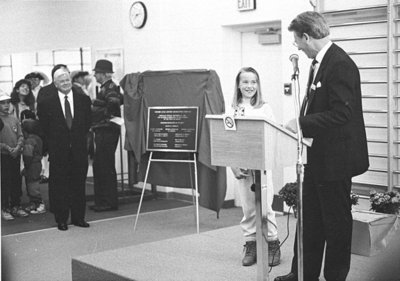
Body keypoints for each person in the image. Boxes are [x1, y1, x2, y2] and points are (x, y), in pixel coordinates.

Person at [275, 12, 369, 281]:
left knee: (336, 225)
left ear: (307, 36)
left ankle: (335, 277)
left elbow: (342, 114)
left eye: (297, 42)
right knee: (310, 221)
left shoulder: (340, 64)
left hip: (336, 162)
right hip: (317, 158)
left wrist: (301, 122)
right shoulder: (321, 62)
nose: (298, 48)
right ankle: (302, 273)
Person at [230, 67, 281, 267]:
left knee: (266, 208)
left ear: (258, 85)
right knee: (249, 208)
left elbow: (274, 135)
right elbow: (229, 138)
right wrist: (233, 165)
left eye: (253, 82)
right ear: (238, 85)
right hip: (243, 167)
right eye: (245, 82)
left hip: (262, 166)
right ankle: (251, 244)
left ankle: (273, 244)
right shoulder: (232, 108)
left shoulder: (265, 108)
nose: (249, 86)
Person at [37, 68, 92, 231]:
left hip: (78, 150)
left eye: (67, 79)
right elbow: (44, 128)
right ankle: (61, 219)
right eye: (61, 81)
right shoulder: (46, 103)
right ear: (55, 84)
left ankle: (78, 218)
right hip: (58, 151)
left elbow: (87, 123)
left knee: (78, 185)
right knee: (59, 185)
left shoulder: (83, 99)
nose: (66, 83)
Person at [90, 59, 123, 212]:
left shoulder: (109, 88)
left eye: (96, 73)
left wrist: (101, 115)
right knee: (103, 165)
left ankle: (107, 202)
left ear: (103, 74)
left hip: (106, 130)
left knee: (103, 165)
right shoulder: (108, 87)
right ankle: (106, 201)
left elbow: (114, 103)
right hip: (106, 130)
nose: (95, 75)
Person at [0, 90, 29, 220]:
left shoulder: (14, 119)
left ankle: (16, 205)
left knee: (16, 181)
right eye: (2, 103)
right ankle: (5, 207)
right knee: (5, 181)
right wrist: (7, 148)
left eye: (7, 102)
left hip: (15, 155)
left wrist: (17, 147)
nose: (6, 105)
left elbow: (21, 135)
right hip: (3, 156)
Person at [21, 113, 46, 214]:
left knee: (32, 184)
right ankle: (34, 204)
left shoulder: (29, 141)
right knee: (33, 182)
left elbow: (28, 155)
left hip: (32, 164)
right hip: (37, 163)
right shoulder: (38, 138)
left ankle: (39, 204)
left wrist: (26, 167)